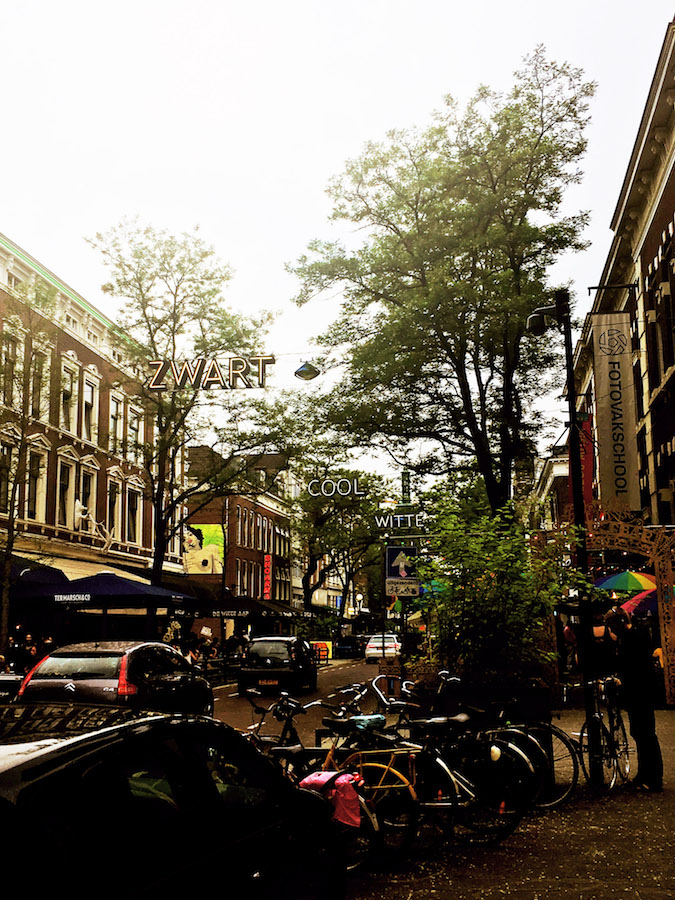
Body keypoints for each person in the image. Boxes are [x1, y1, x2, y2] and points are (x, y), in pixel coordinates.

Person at [606, 607, 663, 792]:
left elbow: (635, 668)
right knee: (641, 734)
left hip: (639, 692)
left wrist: (622, 680)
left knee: (645, 734)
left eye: (611, 626)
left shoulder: (632, 639)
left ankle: (653, 778)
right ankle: (645, 775)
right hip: (639, 692)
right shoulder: (633, 637)